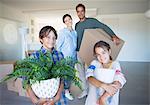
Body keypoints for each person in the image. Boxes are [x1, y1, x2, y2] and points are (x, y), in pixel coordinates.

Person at [75, 3, 121, 99]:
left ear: (84, 11)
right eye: (78, 11)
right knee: (81, 73)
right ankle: (85, 91)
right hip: (78, 52)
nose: (80, 13)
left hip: (87, 52)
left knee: (90, 72)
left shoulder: (92, 21)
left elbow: (103, 26)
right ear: (77, 13)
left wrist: (113, 35)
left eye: (82, 11)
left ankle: (94, 91)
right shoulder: (77, 25)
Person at [26, 26, 68, 105]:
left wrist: (57, 97)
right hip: (41, 99)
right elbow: (26, 80)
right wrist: (35, 101)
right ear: (41, 39)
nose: (51, 40)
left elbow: (63, 77)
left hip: (59, 98)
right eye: (48, 37)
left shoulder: (59, 55)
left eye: (54, 38)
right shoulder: (34, 57)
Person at [85, 40, 126, 105]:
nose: (101, 57)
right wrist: (104, 86)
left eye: (103, 53)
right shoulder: (94, 63)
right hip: (93, 100)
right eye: (98, 54)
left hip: (108, 101)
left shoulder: (115, 64)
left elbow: (118, 80)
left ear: (109, 51)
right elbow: (89, 77)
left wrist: (103, 98)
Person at [56, 14, 77, 100]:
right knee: (65, 76)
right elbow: (58, 46)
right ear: (64, 23)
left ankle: (66, 90)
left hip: (73, 57)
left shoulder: (75, 32)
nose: (68, 22)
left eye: (69, 19)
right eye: (66, 20)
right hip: (65, 58)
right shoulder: (62, 32)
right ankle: (66, 91)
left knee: (71, 75)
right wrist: (59, 58)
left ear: (71, 20)